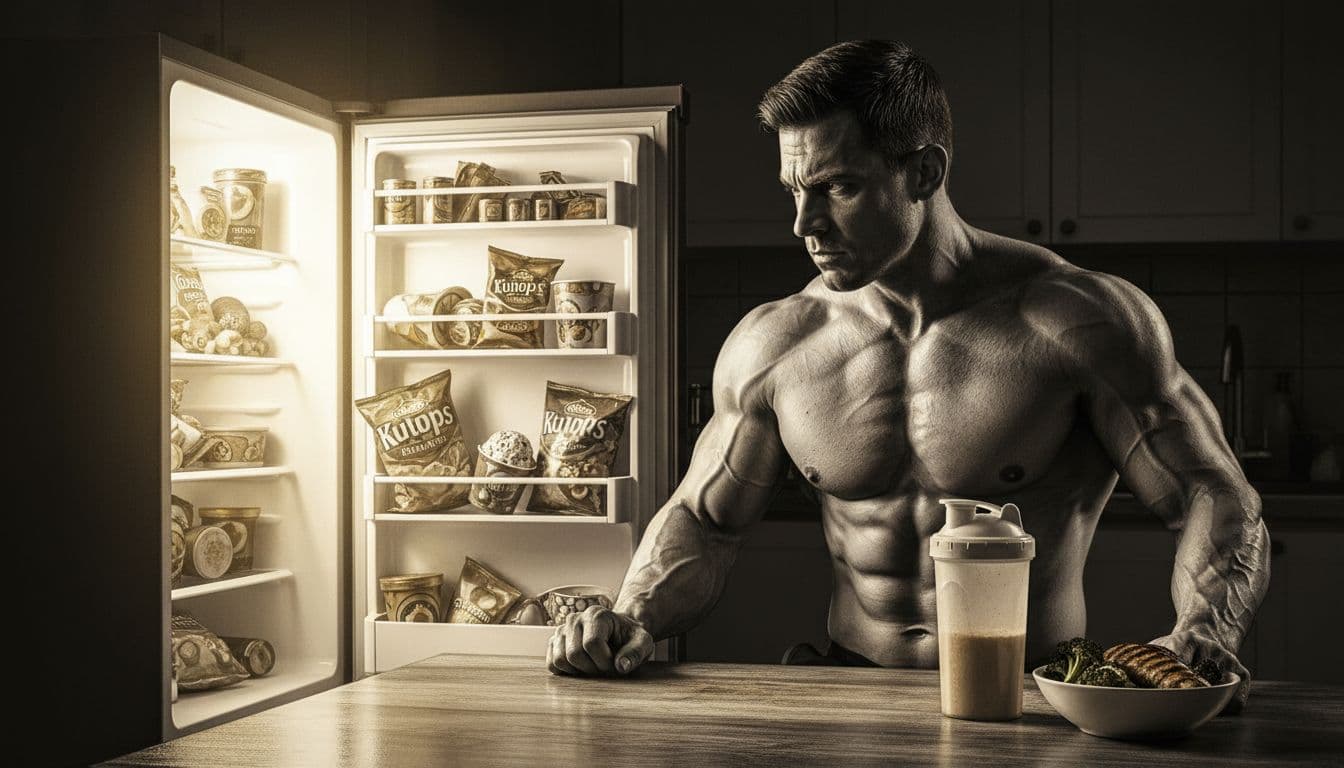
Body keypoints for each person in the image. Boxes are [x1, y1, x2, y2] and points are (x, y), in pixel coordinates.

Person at [545, 39, 1269, 712]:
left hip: (1028, 701)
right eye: (793, 190)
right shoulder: (779, 341)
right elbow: (705, 519)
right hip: (849, 690)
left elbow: (1212, 492)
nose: (804, 224)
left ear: (924, 172)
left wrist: (1204, 631)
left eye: (838, 188)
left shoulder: (1076, 321)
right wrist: (630, 614)